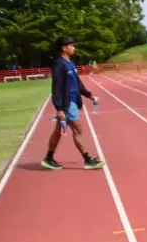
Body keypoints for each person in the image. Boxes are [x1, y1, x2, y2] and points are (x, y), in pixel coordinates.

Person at [41, 37, 104, 171]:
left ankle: (48, 158)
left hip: (73, 101)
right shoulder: (59, 64)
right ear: (64, 48)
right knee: (77, 129)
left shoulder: (70, 63)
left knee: (58, 131)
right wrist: (59, 108)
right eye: (71, 45)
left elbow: (77, 82)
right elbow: (56, 86)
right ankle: (87, 160)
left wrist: (89, 95)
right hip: (67, 103)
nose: (74, 48)